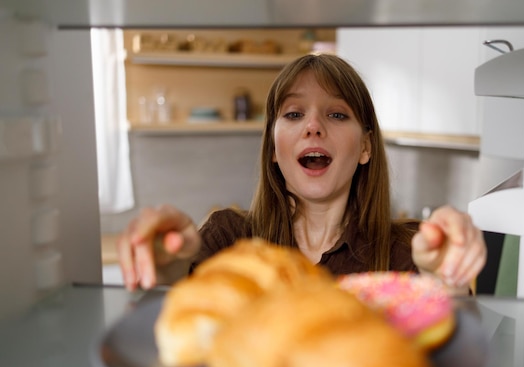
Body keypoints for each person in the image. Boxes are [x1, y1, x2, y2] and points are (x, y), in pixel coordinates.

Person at [117, 53, 486, 294]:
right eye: (294, 114)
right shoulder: (228, 238)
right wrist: (165, 269)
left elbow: (454, 352)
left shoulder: (406, 252)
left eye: (337, 114)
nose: (313, 126)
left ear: (365, 147)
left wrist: (446, 280)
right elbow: (173, 312)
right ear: (275, 149)